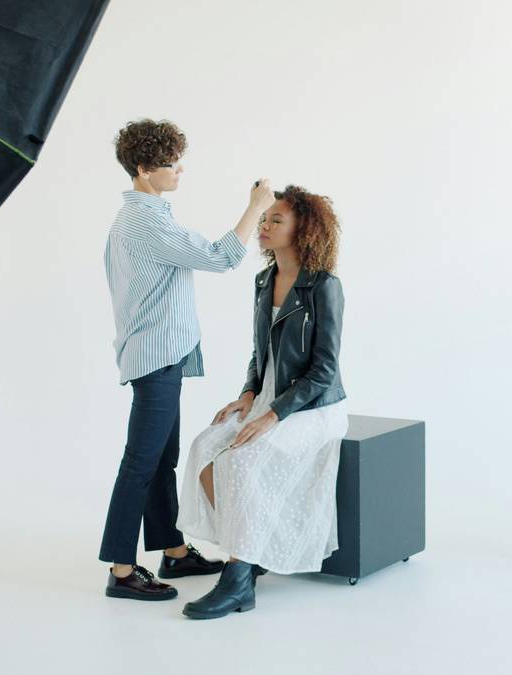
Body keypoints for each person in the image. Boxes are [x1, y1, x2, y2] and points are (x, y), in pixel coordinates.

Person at [100, 118, 276, 601]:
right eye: (168, 164)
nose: (179, 170)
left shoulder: (147, 215)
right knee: (141, 462)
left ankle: (173, 553)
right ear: (142, 169)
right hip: (155, 356)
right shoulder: (145, 220)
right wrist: (254, 207)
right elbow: (221, 257)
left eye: (179, 159)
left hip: (159, 353)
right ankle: (120, 570)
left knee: (161, 460)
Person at [176, 185, 347, 619]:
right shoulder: (263, 280)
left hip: (312, 408)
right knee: (205, 449)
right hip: (268, 399)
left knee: (242, 461)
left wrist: (273, 414)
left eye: (276, 220)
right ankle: (248, 557)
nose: (264, 226)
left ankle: (237, 580)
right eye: (264, 218)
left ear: (302, 228)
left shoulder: (323, 286)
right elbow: (260, 352)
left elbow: (324, 370)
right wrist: (248, 395)